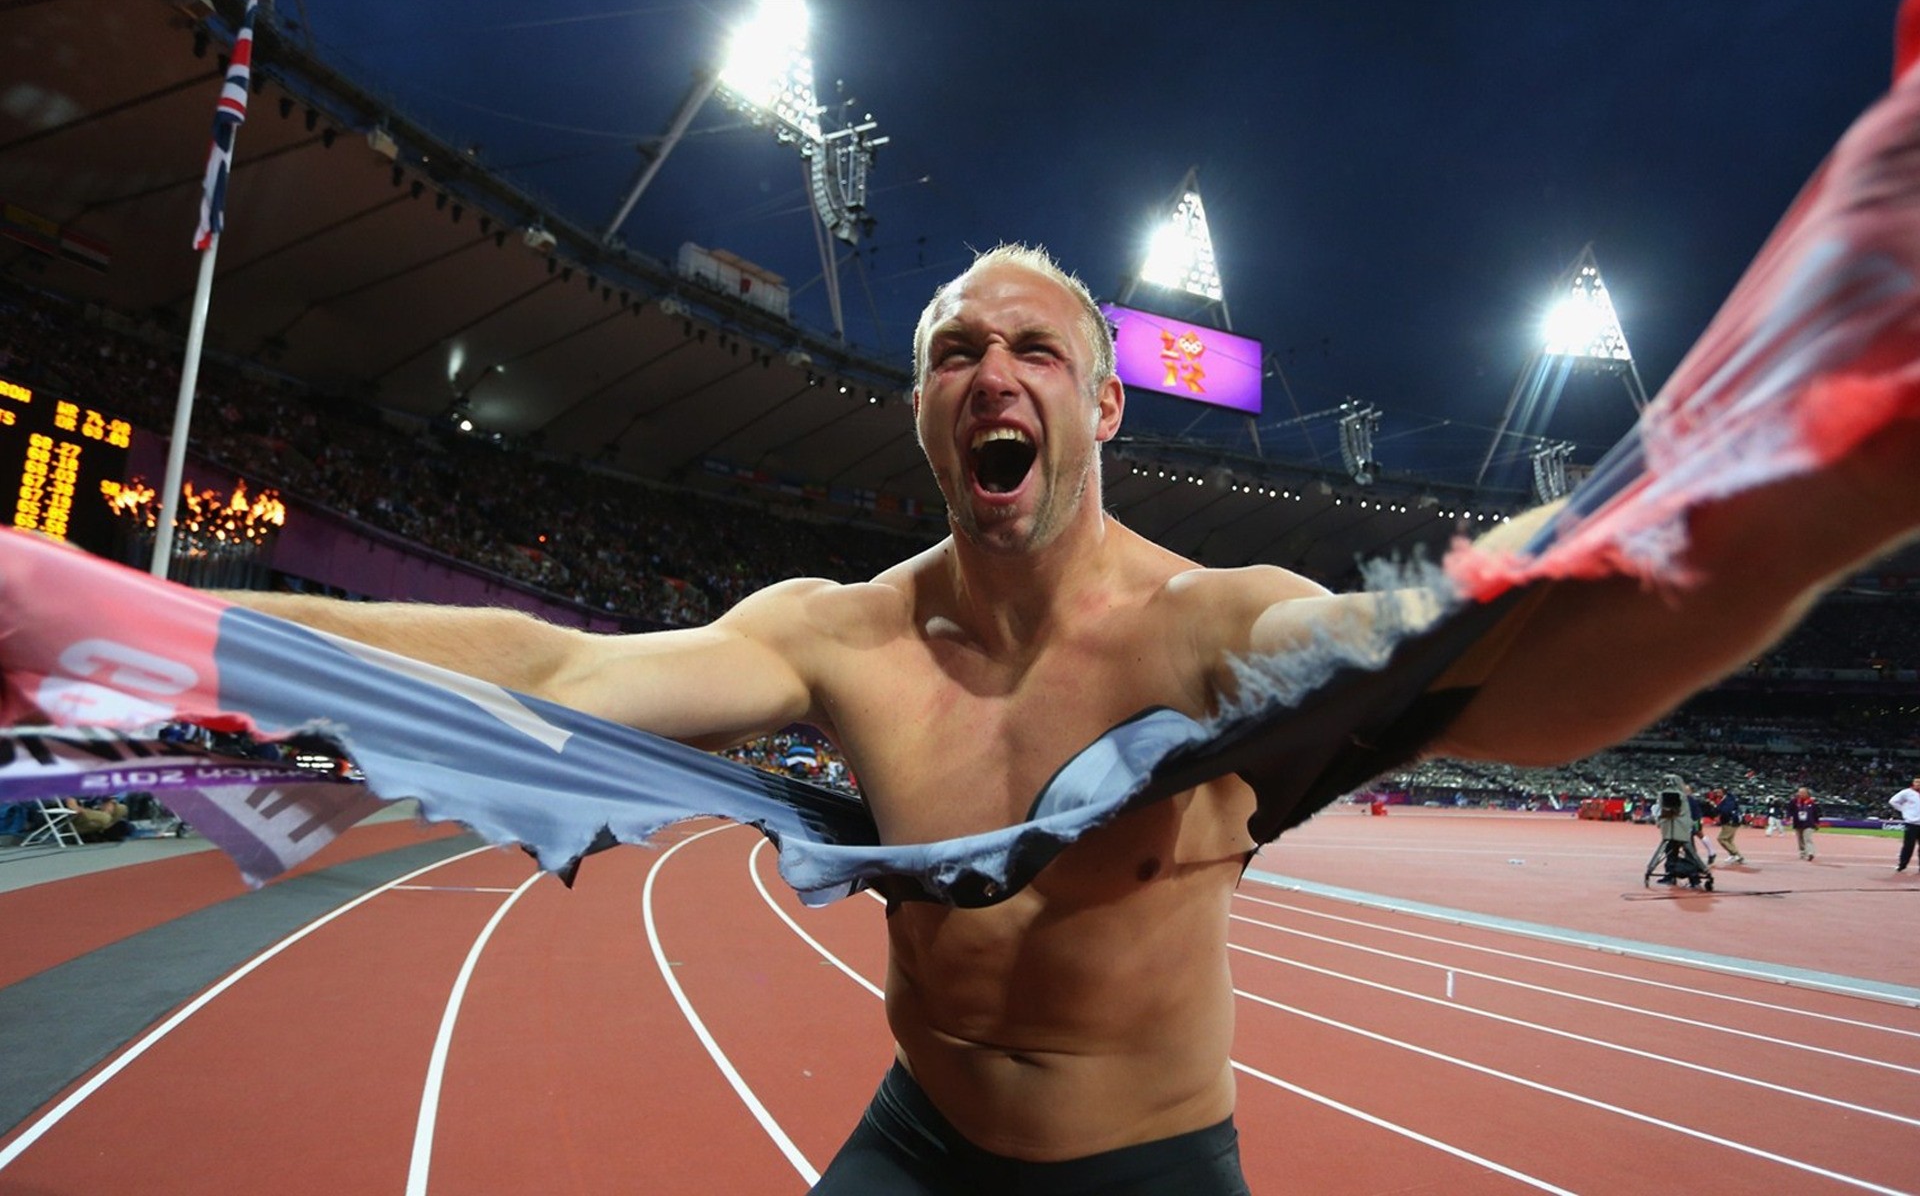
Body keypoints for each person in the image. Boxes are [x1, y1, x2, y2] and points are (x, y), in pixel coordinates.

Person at [199, 243, 1920, 1193]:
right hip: (919, 1141)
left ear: (1101, 400)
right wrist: (173, 623)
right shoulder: (841, 635)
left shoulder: (1221, 626)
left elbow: (1532, 690)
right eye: (957, 351)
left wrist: (1855, 476)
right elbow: (556, 670)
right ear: (932, 419)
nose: (992, 371)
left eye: (1032, 345)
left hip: (1149, 1176)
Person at [1891, 775, 1920, 873]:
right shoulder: (1907, 793)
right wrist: (1904, 810)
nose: (1918, 784)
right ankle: (1902, 865)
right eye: (1916, 782)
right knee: (1908, 846)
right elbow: (1893, 801)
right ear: (1913, 783)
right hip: (1911, 823)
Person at [1714, 787, 1746, 865]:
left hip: (1730, 822)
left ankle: (1736, 854)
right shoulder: (1726, 799)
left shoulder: (1729, 800)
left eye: (1718, 792)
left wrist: (1717, 808)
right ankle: (1734, 855)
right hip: (1730, 821)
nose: (1717, 794)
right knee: (1729, 840)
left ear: (1723, 792)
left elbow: (1726, 810)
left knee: (1722, 839)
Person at [1789, 788, 1822, 861]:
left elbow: (1816, 813)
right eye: (1800, 793)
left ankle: (1810, 853)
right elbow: (1789, 810)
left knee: (1807, 838)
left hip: (1809, 823)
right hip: (1798, 823)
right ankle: (1802, 853)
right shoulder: (1794, 801)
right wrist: (1789, 817)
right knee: (1800, 839)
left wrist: (1817, 823)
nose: (1801, 794)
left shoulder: (1812, 802)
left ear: (1807, 794)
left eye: (1803, 793)